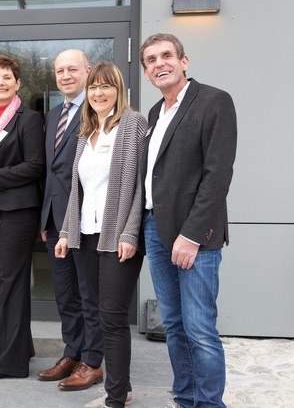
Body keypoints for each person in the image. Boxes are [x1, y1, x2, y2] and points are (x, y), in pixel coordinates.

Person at [139, 33, 237, 408]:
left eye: (166, 55)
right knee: (174, 325)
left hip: (194, 234)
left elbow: (217, 175)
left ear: (184, 61)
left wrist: (192, 235)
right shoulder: (155, 113)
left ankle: (209, 404)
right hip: (155, 228)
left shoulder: (213, 101)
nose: (159, 63)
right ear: (146, 72)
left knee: (199, 328)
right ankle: (185, 397)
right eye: (151, 60)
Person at [55, 62, 147, 407]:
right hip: (85, 234)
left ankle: (116, 396)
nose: (98, 93)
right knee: (92, 309)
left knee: (112, 316)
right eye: (93, 87)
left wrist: (130, 232)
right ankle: (120, 387)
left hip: (117, 236)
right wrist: (66, 232)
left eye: (106, 86)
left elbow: (140, 185)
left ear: (118, 90)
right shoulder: (86, 132)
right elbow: (77, 190)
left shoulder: (132, 123)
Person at [0, 55, 45, 380]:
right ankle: (16, 347)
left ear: (18, 83)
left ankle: (11, 363)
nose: (0, 83)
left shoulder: (28, 119)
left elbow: (35, 165)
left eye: (6, 78)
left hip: (17, 212)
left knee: (11, 284)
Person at [38, 49, 106, 391]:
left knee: (87, 294)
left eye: (72, 69)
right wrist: (45, 218)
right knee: (65, 294)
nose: (65, 76)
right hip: (55, 220)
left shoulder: (98, 110)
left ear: (88, 71)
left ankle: (92, 361)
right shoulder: (53, 115)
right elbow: (52, 171)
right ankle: (72, 351)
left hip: (84, 220)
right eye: (60, 70)